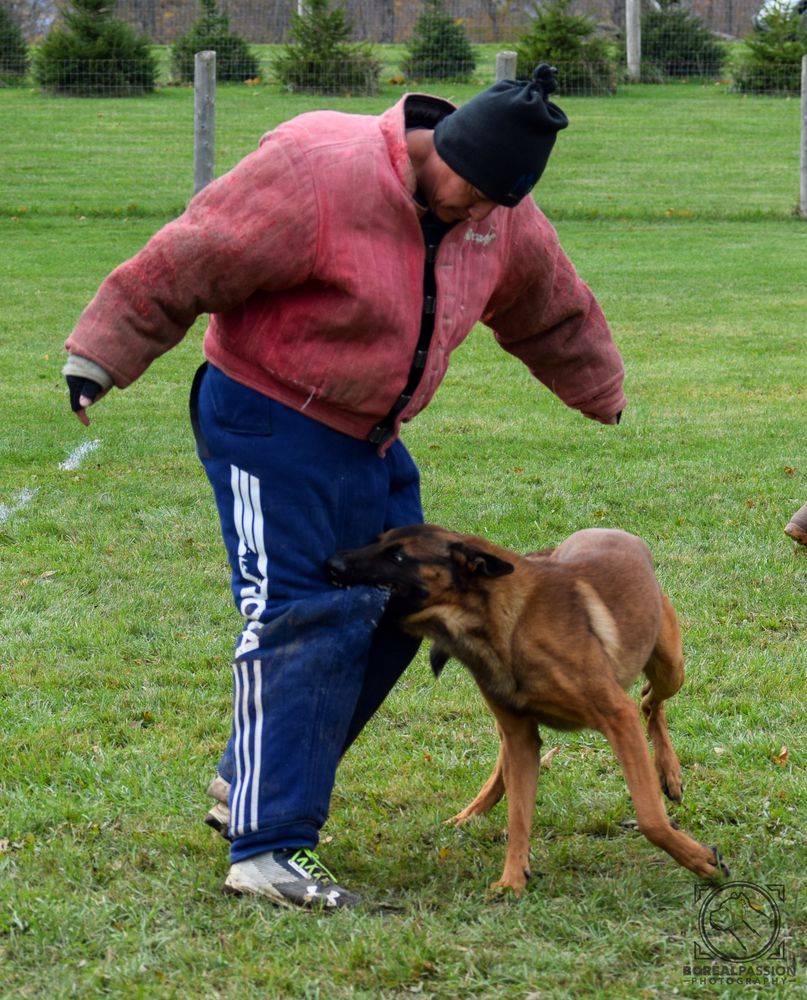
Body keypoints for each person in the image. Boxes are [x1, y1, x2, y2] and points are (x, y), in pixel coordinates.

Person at [63, 65, 627, 909]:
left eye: (492, 207)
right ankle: (266, 850)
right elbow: (192, 251)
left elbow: (549, 306)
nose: (474, 215)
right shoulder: (317, 168)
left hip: (367, 435)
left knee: (413, 608)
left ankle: (246, 782)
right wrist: (100, 354)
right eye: (467, 193)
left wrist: (599, 389)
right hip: (264, 415)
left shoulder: (498, 215)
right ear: (442, 149)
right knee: (302, 608)